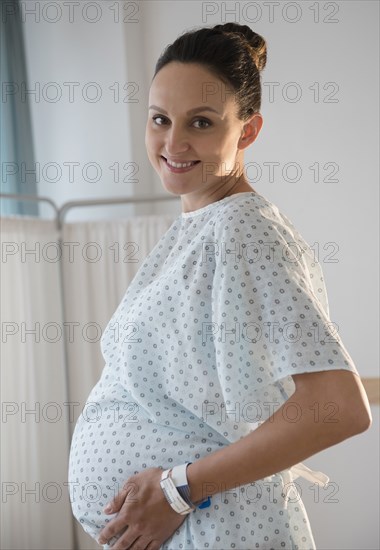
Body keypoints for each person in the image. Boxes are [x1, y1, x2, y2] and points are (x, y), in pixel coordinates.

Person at [68, 23, 372, 550]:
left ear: (248, 131)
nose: (173, 142)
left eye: (201, 123)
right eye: (160, 119)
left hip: (224, 528)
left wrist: (177, 491)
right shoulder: (199, 227)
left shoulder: (243, 230)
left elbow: (337, 406)